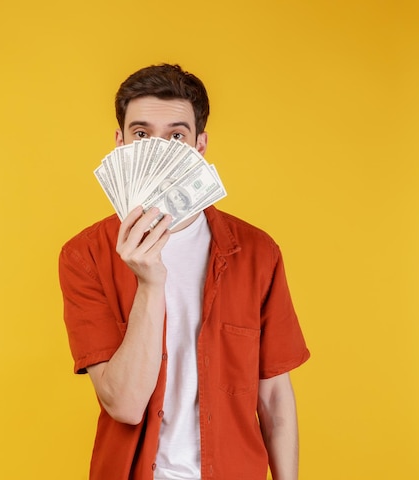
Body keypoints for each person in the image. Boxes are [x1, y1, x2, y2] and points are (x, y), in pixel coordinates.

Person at [58, 64, 310, 480]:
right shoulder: (84, 255)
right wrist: (150, 282)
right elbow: (123, 403)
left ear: (199, 146)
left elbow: (275, 396)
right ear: (120, 144)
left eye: (176, 136)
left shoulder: (256, 252)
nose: (159, 150)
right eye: (142, 134)